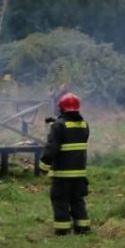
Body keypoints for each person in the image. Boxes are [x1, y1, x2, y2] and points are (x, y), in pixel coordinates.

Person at [39, 92, 91, 235]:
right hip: (80, 174)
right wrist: (57, 122)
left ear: (61, 108)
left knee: (60, 199)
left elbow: (52, 148)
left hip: (62, 174)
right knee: (77, 200)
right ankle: (83, 227)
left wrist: (43, 166)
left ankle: (62, 230)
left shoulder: (58, 126)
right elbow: (71, 129)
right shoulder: (84, 125)